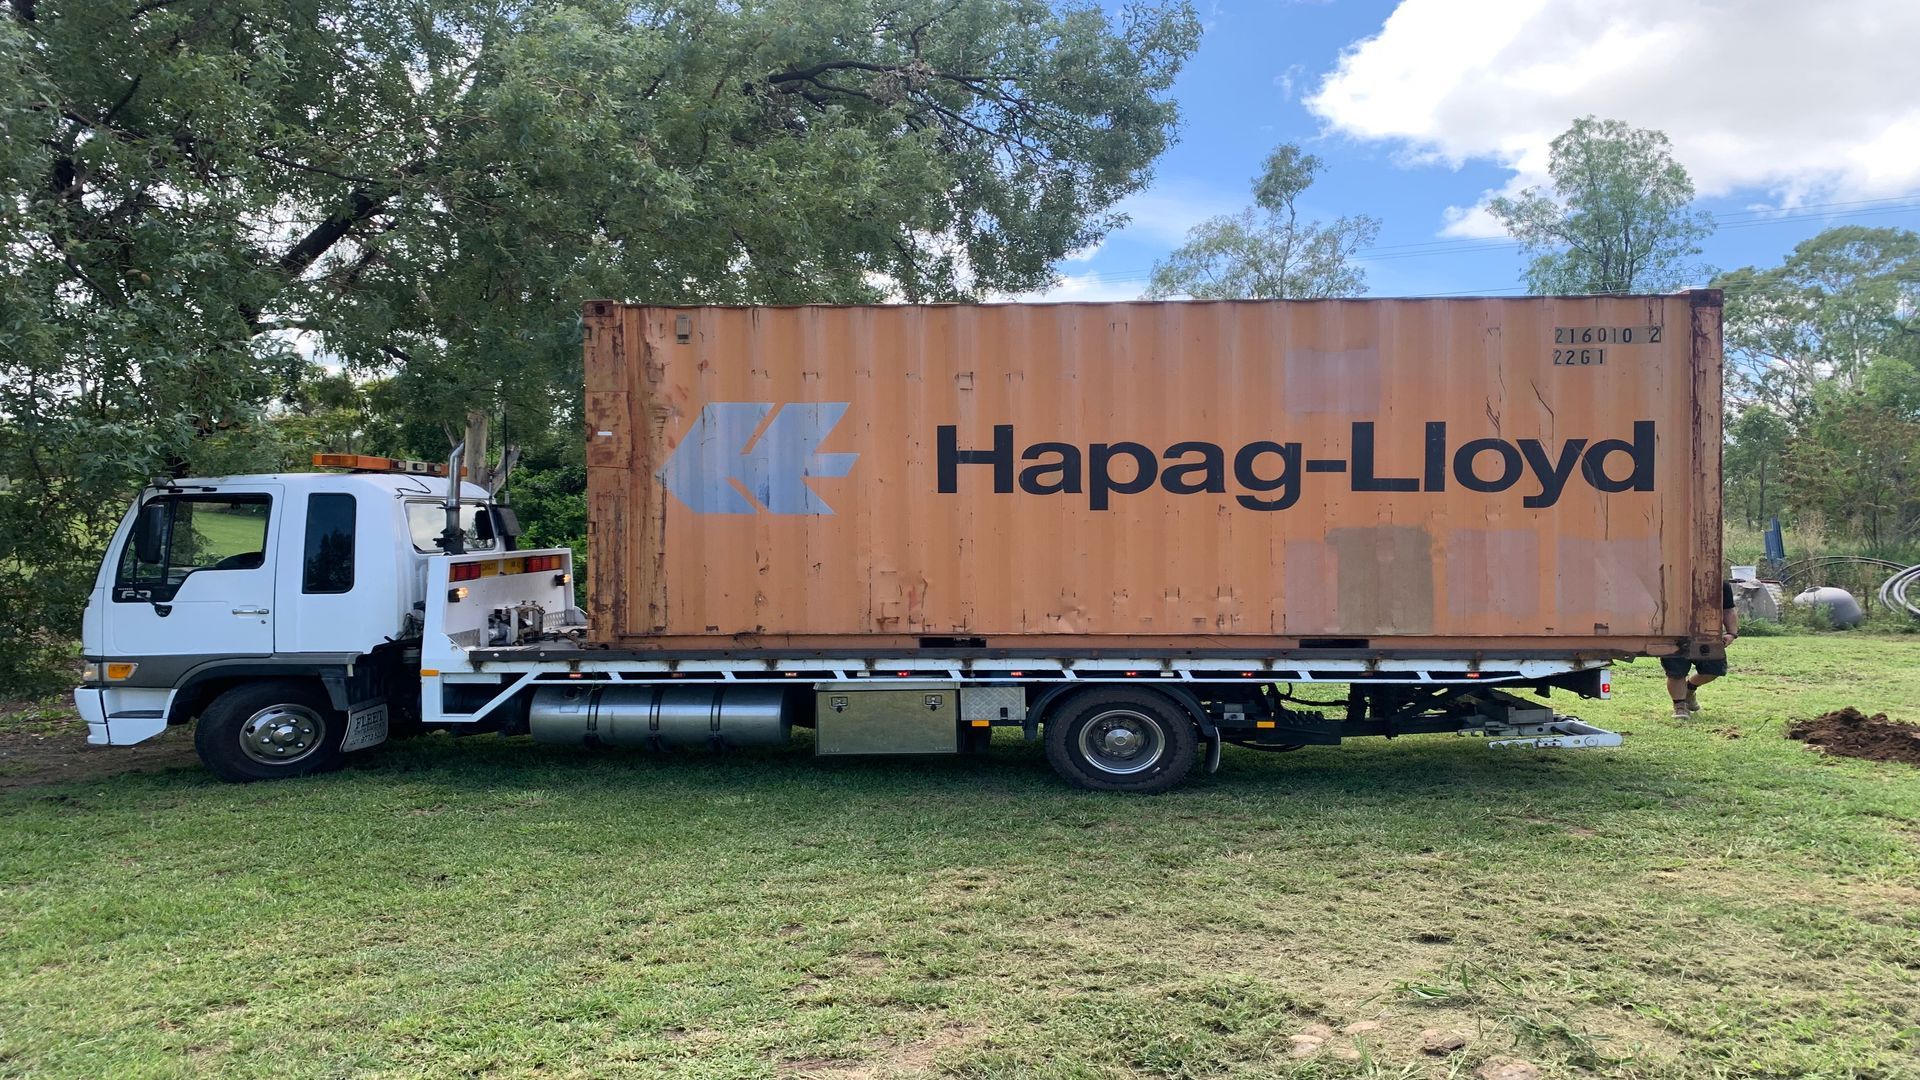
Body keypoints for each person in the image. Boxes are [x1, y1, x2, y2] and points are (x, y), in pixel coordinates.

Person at [1664, 581, 1737, 718]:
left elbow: (1728, 609)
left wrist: (1731, 633)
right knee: (1676, 672)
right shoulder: (1667, 580)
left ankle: (1690, 688)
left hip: (1708, 634)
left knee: (1714, 670)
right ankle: (1680, 707)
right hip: (1672, 633)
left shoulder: (1721, 584)